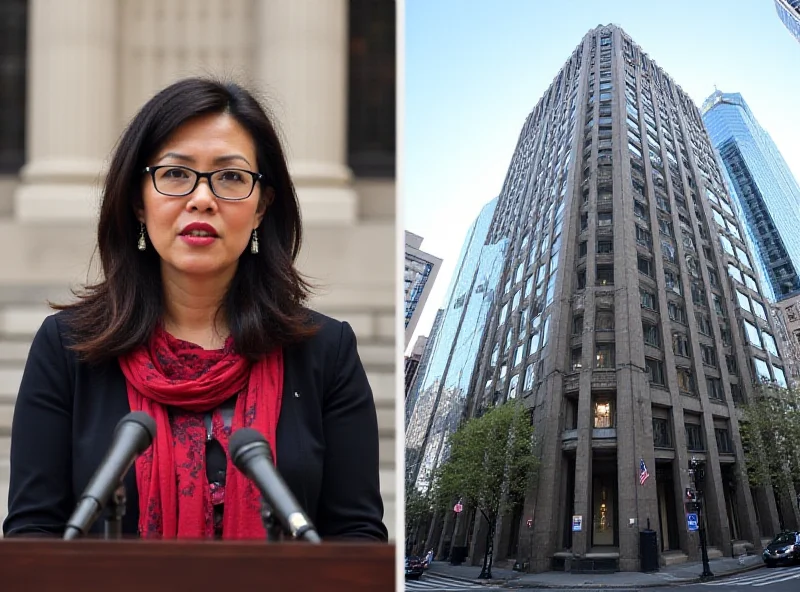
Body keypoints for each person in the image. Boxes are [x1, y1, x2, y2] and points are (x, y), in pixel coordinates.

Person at [2, 78, 388, 542]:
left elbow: (355, 537)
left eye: (230, 177)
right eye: (175, 174)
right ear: (137, 201)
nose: (202, 198)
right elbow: (34, 533)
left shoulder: (325, 352)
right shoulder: (67, 348)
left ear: (262, 206)